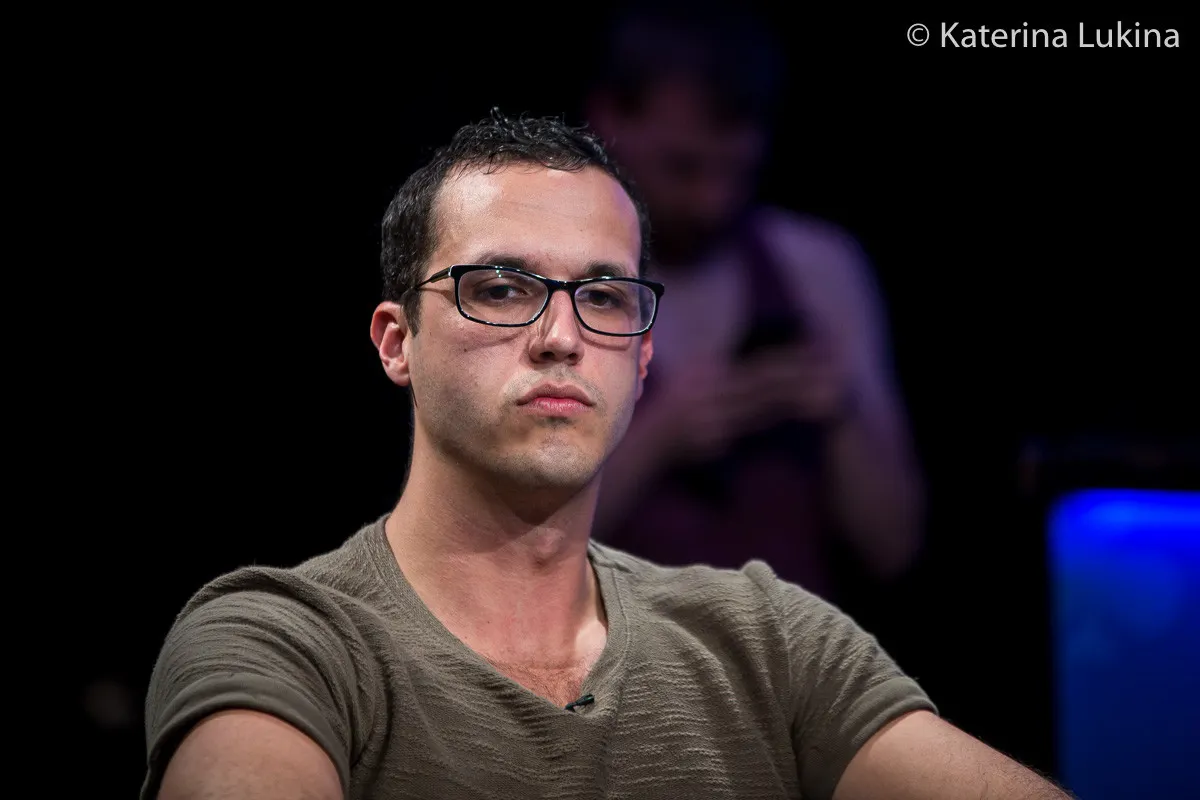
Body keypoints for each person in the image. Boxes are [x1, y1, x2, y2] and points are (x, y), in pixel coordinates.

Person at [142, 110, 1072, 799]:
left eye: (604, 298)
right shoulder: (286, 639)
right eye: (501, 288)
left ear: (643, 355)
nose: (561, 337)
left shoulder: (766, 637)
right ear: (396, 342)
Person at [584, 2, 925, 599]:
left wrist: (841, 414)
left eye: (735, 172)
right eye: (683, 167)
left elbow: (894, 547)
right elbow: (511, 553)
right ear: (609, 118)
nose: (712, 203)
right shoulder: (556, 281)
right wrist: (662, 433)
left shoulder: (817, 271)